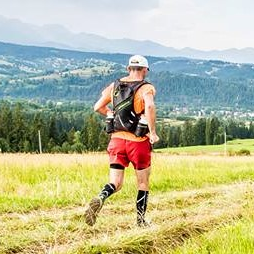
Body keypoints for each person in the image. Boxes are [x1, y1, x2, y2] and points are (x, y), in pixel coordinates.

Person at [84, 55, 159, 227]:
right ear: (145, 70)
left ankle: (101, 197)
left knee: (115, 183)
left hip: (116, 140)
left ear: (128, 69)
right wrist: (153, 132)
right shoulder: (146, 88)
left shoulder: (115, 85)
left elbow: (97, 107)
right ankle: (140, 221)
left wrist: (110, 114)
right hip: (138, 142)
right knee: (143, 182)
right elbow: (149, 106)